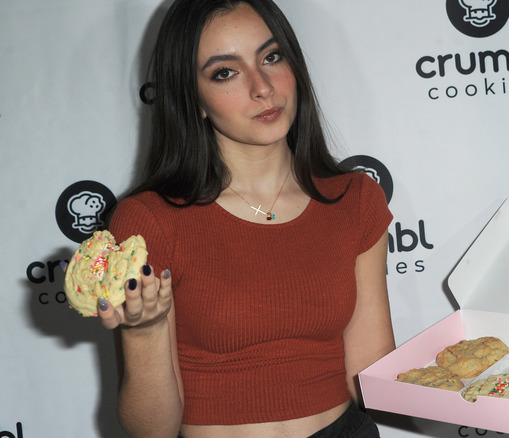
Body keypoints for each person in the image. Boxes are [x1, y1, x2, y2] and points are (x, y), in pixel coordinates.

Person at [98, 0, 395, 437]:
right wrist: (144, 332)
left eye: (271, 57)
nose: (263, 87)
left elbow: (371, 373)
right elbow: (152, 431)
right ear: (192, 98)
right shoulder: (148, 221)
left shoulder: (354, 198)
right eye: (225, 72)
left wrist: (471, 389)